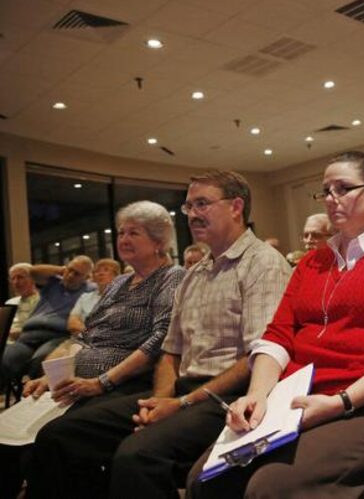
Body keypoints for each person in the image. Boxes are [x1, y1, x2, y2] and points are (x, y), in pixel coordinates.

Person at [188, 151, 364, 499]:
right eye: (325, 190)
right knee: (205, 480)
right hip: (301, 401)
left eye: (342, 188)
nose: (330, 199)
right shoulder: (313, 262)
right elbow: (277, 336)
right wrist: (258, 395)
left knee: (271, 489)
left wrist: (342, 401)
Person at [28, 171, 293, 499]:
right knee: (62, 434)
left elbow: (258, 356)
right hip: (182, 391)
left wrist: (179, 403)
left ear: (236, 207)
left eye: (202, 204)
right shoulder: (196, 273)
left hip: (229, 397)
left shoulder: (262, 265)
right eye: (188, 206)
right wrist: (162, 399)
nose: (192, 214)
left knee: (135, 456)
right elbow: (170, 351)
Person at [0, 201, 185, 499]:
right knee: (7, 436)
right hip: (82, 382)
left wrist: (103, 382)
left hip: (127, 383)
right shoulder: (119, 283)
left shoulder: (172, 277)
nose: (123, 239)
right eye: (121, 232)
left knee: (53, 438)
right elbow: (86, 336)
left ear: (159, 241)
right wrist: (51, 376)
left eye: (134, 233)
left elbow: (158, 340)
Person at [1, 256, 95, 385]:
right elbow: (33, 272)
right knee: (5, 357)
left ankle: (29, 394)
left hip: (56, 336)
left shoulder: (89, 290)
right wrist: (62, 270)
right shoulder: (54, 283)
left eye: (77, 274)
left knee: (41, 362)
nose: (71, 275)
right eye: (70, 270)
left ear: (86, 277)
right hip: (27, 336)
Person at [66, 259, 121, 335]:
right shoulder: (85, 297)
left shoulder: (124, 297)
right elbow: (72, 323)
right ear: (94, 277)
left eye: (106, 270)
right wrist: (89, 333)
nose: (100, 273)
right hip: (81, 340)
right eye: (97, 271)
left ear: (117, 276)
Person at [5, 263, 40, 342]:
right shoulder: (10, 302)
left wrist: (22, 332)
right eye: (13, 278)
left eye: (20, 277)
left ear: (33, 279)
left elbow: (44, 328)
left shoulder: (43, 301)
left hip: (28, 341)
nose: (16, 282)